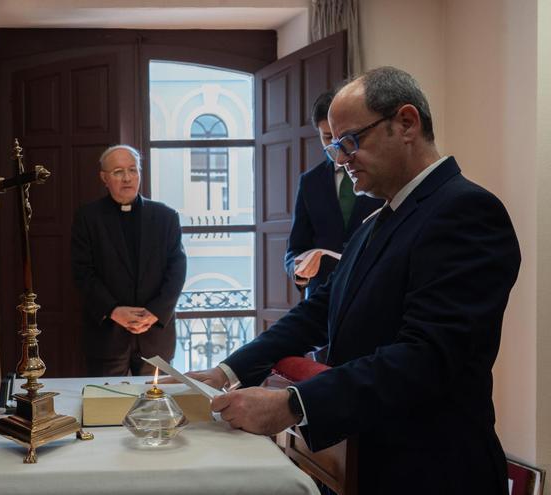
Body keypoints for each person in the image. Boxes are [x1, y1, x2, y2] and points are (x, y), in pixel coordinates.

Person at [185, 67, 520, 494]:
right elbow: (317, 311)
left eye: (349, 142)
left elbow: (428, 356)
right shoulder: (377, 220)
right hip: (368, 459)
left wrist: (294, 404)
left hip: (431, 469)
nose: (340, 159)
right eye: (334, 147)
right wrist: (227, 370)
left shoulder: (466, 211)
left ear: (406, 124)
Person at [71, 145, 187, 376]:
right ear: (104, 178)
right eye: (118, 172)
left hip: (155, 332)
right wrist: (114, 310)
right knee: (106, 407)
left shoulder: (166, 217)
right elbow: (82, 273)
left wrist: (155, 312)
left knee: (155, 407)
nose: (127, 178)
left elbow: (177, 270)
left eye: (132, 170)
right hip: (107, 335)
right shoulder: (87, 218)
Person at [285, 90, 384, 299]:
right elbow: (295, 249)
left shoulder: (380, 175)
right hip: (322, 294)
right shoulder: (309, 182)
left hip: (371, 291)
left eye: (342, 137)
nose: (337, 145)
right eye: (328, 137)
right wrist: (300, 271)